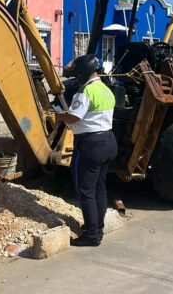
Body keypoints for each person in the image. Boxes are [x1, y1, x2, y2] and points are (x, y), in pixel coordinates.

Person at [55, 54, 118, 247]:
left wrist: (59, 115)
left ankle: (91, 234)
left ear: (82, 73)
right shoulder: (106, 90)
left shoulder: (85, 91)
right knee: (99, 187)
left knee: (85, 190)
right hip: (108, 141)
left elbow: (74, 117)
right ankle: (98, 226)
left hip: (90, 145)